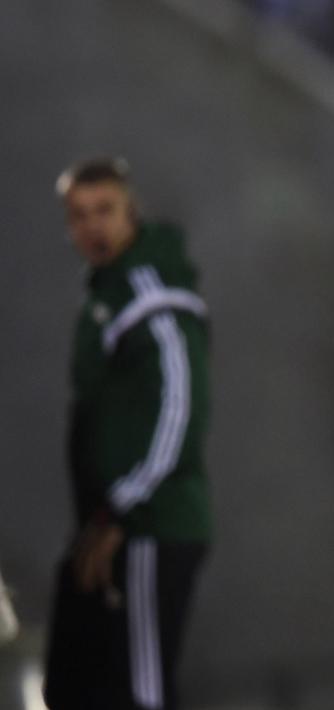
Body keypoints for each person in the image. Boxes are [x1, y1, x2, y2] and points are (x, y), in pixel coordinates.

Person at [44, 157, 212, 710]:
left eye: (105, 211)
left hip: (149, 525)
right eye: (79, 215)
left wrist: (122, 507)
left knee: (141, 691)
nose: (93, 226)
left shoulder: (149, 296)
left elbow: (178, 410)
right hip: (105, 522)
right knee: (74, 682)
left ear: (130, 212)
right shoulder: (105, 293)